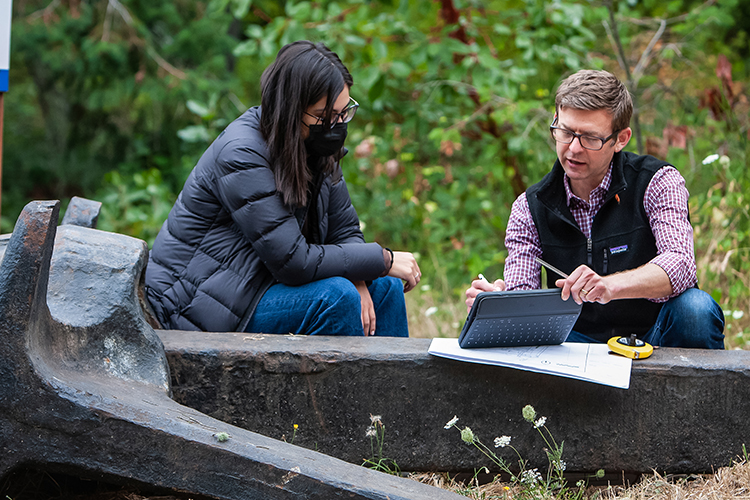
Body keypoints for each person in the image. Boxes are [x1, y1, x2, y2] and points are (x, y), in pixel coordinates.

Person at [145, 41, 421, 337]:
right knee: (337, 298)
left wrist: (361, 277)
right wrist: (383, 260)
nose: (336, 125)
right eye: (324, 116)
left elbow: (344, 231)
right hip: (198, 306)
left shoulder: (316, 146)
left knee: (386, 289)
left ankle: (391, 384)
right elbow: (293, 261)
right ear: (291, 109)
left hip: (260, 286)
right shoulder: (241, 154)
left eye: (343, 113)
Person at [465, 70, 724, 348]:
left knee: (696, 309)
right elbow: (523, 296)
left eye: (590, 138)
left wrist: (609, 286)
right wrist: (499, 304)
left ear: (621, 139)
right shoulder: (530, 207)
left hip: (654, 334)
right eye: (565, 132)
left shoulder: (656, 181)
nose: (573, 149)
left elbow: (681, 265)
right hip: (573, 343)